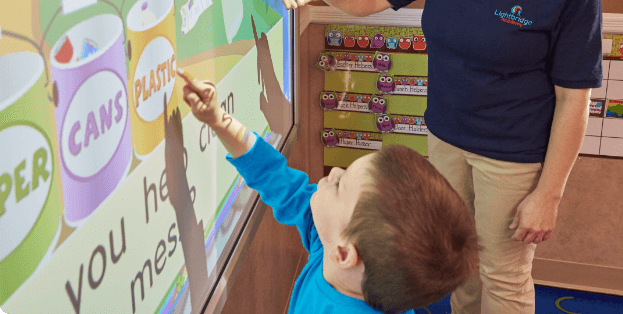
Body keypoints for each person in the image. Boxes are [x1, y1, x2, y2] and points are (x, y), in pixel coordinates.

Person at [273, 0, 603, 314]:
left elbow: (575, 99)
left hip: (513, 158)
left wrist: (548, 195)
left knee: (503, 276)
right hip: (446, 139)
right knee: (460, 269)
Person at [174, 68, 480, 314]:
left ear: (345, 253)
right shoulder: (335, 245)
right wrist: (219, 120)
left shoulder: (334, 248)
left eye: (339, 186)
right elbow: (276, 179)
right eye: (343, 173)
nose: (333, 172)